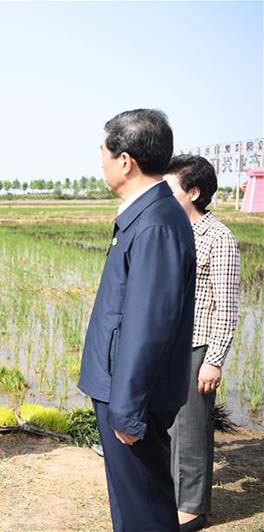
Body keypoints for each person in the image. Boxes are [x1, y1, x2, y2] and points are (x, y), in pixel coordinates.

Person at [78, 110, 196, 531]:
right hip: (121, 388)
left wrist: (128, 410)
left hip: (131, 396)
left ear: (125, 160)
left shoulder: (155, 224)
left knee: (143, 506)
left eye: (103, 152)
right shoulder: (146, 215)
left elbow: (149, 327)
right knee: (132, 504)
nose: (101, 163)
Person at [164, 155, 240, 532]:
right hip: (168, 345)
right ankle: (171, 496)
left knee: (192, 431)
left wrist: (214, 360)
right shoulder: (173, 230)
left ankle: (192, 509)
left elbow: (227, 307)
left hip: (197, 348)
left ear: (193, 192)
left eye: (170, 189)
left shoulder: (219, 238)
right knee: (169, 427)